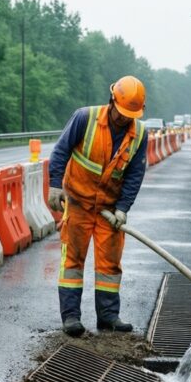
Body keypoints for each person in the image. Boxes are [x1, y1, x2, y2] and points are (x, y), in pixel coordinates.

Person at [47, 76, 149, 337]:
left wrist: (123, 208)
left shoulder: (139, 135)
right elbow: (60, 151)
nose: (124, 119)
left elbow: (135, 174)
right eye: (121, 112)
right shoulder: (85, 118)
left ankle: (108, 317)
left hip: (109, 209)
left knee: (109, 266)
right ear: (111, 101)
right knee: (72, 262)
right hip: (79, 204)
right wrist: (55, 185)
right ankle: (71, 317)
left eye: (130, 115)